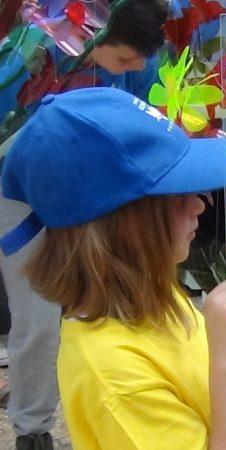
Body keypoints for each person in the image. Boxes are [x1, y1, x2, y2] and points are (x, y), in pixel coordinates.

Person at [0, 87, 226, 450]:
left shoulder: (159, 301)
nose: (199, 204)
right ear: (120, 225)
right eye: (177, 195)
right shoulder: (114, 374)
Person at [0, 2, 167, 448]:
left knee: (106, 300)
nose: (134, 68)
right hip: (19, 188)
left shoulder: (140, 58)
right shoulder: (35, 49)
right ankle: (32, 429)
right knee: (37, 313)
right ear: (97, 37)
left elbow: (151, 116)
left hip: (98, 188)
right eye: (126, 59)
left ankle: (110, 415)